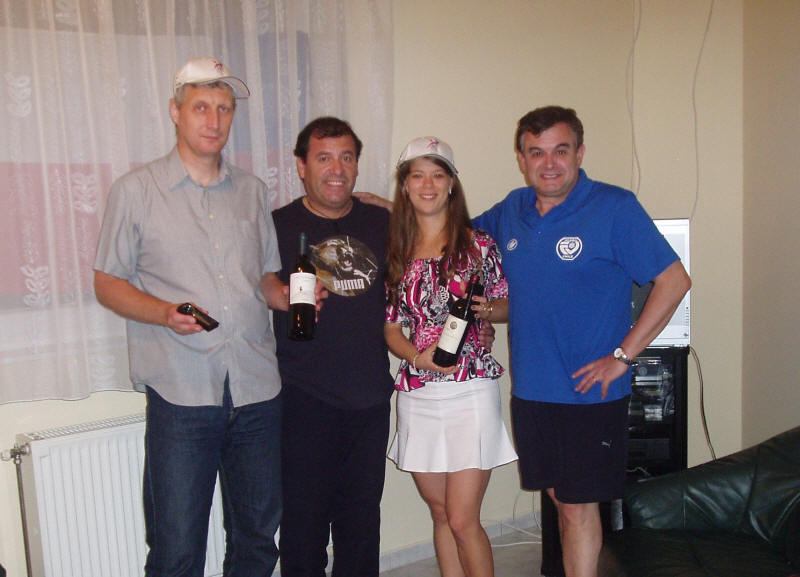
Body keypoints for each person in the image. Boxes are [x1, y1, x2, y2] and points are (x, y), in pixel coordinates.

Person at [472, 106, 692, 577]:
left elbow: (674, 281)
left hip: (588, 391)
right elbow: (451, 235)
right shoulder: (511, 210)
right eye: (536, 152)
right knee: (561, 498)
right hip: (532, 389)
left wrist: (623, 356)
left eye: (561, 150)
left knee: (576, 506)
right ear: (522, 159)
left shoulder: (614, 208)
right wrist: (392, 210)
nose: (549, 163)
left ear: (580, 153)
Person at [94, 57, 288, 577]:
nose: (214, 120)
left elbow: (263, 277)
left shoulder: (252, 191)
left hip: (256, 389)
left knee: (257, 540)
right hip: (182, 394)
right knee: (177, 548)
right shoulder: (135, 191)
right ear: (175, 112)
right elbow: (107, 282)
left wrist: (288, 298)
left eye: (224, 109)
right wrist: (163, 313)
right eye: (201, 107)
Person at [262, 117, 394, 577]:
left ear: (356, 165)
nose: (336, 169)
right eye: (323, 158)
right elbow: (250, 284)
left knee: (362, 524)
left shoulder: (382, 222)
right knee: (303, 525)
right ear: (302, 166)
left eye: (346, 158)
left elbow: (441, 243)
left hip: (370, 397)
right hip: (303, 398)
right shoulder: (277, 226)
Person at [383, 137, 518, 577]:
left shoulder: (478, 245)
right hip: (418, 391)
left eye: (438, 175)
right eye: (418, 176)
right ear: (405, 185)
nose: (428, 185)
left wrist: (487, 311)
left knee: (462, 519)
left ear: (451, 185)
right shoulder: (396, 250)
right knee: (440, 514)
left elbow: (507, 303)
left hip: (469, 389)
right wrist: (417, 357)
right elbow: (391, 328)